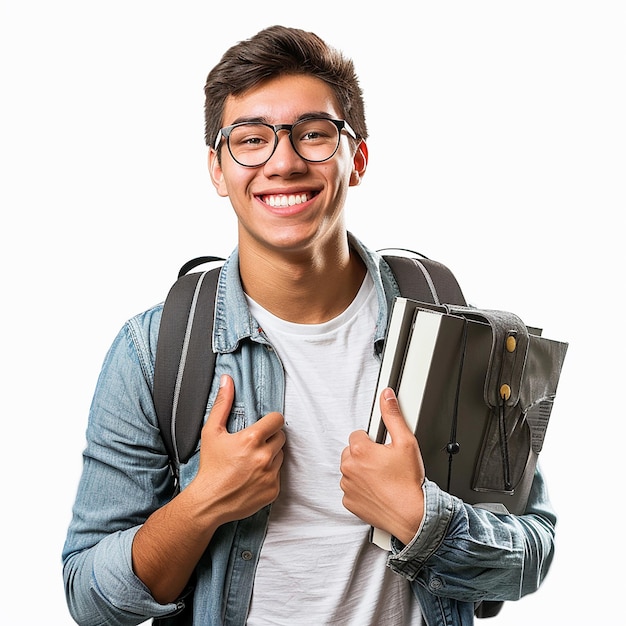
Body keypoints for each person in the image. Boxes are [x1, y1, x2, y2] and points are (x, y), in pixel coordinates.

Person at [62, 25, 557, 626]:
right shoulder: (152, 350)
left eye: (314, 135)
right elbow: (88, 597)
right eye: (250, 140)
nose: (285, 161)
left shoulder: (454, 332)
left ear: (358, 158)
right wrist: (203, 504)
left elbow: (530, 555)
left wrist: (423, 520)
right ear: (218, 170)